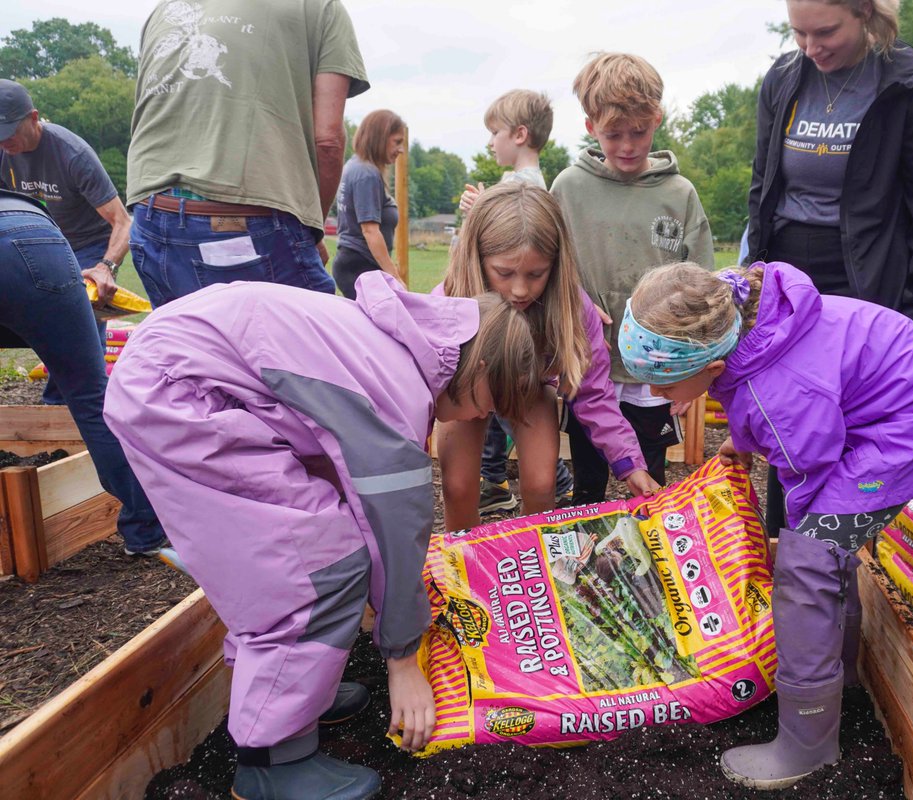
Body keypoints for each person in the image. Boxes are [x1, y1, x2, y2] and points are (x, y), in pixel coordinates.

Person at [103, 273, 543, 800]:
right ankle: (272, 758)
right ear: (479, 366)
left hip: (181, 374)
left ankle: (296, 690)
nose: (483, 417)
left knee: (308, 554)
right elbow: (397, 531)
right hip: (180, 397)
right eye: (492, 402)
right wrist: (403, 659)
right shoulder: (395, 394)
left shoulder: (393, 349)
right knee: (316, 570)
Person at [620, 261, 913, 789]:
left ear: (712, 367)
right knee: (819, 553)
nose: (656, 398)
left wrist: (807, 548)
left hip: (912, 431)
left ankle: (806, 743)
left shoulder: (778, 391)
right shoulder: (745, 332)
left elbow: (807, 469)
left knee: (807, 562)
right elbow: (764, 398)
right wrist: (742, 441)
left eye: (664, 386)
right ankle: (845, 681)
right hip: (880, 412)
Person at [746, 0, 913, 539]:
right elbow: (762, 184)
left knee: (854, 420)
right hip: (788, 273)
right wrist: (753, 278)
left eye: (825, 33)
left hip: (865, 271)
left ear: (865, 13)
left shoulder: (912, 85)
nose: (811, 49)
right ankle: (787, 550)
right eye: (798, 34)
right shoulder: (784, 78)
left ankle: (843, 558)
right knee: (788, 412)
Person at [435, 182, 658, 535]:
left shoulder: (574, 309)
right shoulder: (447, 301)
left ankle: (534, 566)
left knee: (542, 484)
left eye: (536, 274)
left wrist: (630, 464)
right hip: (465, 392)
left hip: (531, 388)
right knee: (458, 485)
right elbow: (417, 385)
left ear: (555, 266)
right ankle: (460, 573)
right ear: (477, 258)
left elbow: (595, 394)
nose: (521, 290)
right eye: (505, 273)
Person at [125, 0, 368, 307]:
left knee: (191, 346)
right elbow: (328, 142)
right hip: (252, 212)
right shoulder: (320, 7)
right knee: (307, 346)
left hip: (151, 213)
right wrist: (312, 231)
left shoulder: (165, 9)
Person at [551, 52, 714, 504]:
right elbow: (547, 262)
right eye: (612, 134)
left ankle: (647, 558)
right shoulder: (568, 187)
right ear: (590, 128)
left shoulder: (678, 194)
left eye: (638, 132)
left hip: (656, 369)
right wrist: (573, 304)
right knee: (588, 473)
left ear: (656, 120)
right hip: (591, 361)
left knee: (649, 477)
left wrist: (695, 368)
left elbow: (703, 284)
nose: (626, 145)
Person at [0, 189, 167, 556]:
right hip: (34, 236)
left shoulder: (66, 151)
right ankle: (146, 531)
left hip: (30, 234)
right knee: (91, 396)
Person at [455, 89, 573, 513]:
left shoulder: (529, 188)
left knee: (534, 466)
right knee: (460, 474)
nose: (520, 289)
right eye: (505, 273)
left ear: (520, 134)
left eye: (495, 132)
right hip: (479, 363)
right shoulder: (514, 186)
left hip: (525, 370)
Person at [0, 79, 128, 404]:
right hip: (36, 244)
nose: (5, 142)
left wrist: (106, 267)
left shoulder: (72, 153)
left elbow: (123, 223)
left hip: (87, 248)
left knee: (79, 334)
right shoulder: (2, 150)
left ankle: (71, 410)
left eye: (10, 132)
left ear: (33, 117)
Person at [331, 109, 405, 299]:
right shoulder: (366, 174)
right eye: (397, 142)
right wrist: (394, 276)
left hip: (352, 263)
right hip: (360, 265)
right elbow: (370, 231)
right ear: (380, 137)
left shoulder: (354, 166)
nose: (401, 149)